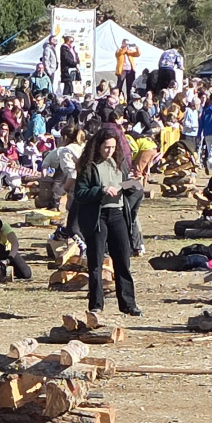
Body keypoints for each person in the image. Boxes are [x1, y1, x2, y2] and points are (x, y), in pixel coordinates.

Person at [73, 132, 139, 316]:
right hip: (97, 216)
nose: (110, 151)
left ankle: (128, 304)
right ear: (98, 146)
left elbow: (126, 186)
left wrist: (132, 184)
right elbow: (80, 194)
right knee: (96, 261)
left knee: (123, 260)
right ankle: (96, 304)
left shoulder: (119, 164)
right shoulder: (88, 166)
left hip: (117, 214)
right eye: (106, 147)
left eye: (113, 147)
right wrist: (101, 190)